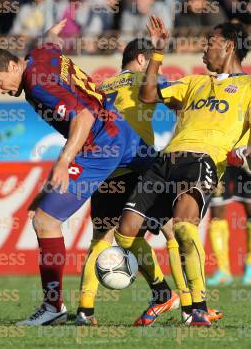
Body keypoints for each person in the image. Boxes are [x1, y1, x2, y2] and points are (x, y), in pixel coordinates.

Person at [0, 19, 150, 325]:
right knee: (169, 216)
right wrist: (54, 32)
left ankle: (52, 306)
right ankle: (187, 301)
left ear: (13, 66)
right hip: (122, 132)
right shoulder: (40, 55)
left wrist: (63, 159)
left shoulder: (36, 82)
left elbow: (81, 117)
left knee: (45, 221)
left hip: (99, 145)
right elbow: (50, 41)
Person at [113, 16, 251, 326]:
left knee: (185, 229)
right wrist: (157, 54)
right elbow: (148, 95)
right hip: (165, 160)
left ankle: (198, 307)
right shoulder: (194, 82)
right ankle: (162, 293)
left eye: (210, 42)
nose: (204, 48)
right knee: (124, 233)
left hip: (202, 160)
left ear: (228, 46)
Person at [75, 39, 223, 326]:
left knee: (102, 239)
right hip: (138, 161)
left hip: (103, 167)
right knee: (174, 230)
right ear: (143, 60)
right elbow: (183, 106)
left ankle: (85, 311)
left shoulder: (102, 87)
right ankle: (189, 307)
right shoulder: (148, 79)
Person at [207, 161, 251, 286]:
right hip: (221, 157)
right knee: (217, 213)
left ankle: (250, 263)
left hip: (245, 157)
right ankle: (223, 270)